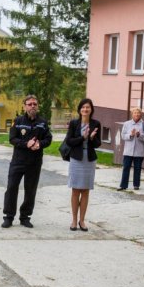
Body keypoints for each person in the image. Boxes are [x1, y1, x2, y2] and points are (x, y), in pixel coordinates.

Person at [2, 95, 51, 228]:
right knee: (12, 188)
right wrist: (26, 144)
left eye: (35, 104)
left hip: (34, 163)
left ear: (38, 106)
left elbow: (49, 139)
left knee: (30, 190)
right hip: (18, 161)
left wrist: (40, 144)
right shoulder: (18, 121)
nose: (32, 106)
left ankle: (25, 217)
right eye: (29, 104)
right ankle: (8, 217)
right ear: (25, 106)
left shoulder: (43, 122)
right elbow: (12, 139)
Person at [66, 98, 102, 231]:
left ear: (91, 109)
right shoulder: (74, 123)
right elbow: (69, 141)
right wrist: (83, 137)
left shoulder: (96, 123)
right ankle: (74, 221)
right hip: (76, 159)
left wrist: (92, 137)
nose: (85, 109)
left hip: (89, 159)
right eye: (83, 107)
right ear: (80, 110)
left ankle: (82, 221)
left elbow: (98, 144)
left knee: (85, 190)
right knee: (75, 190)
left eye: (88, 107)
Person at [118, 107, 144, 191]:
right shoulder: (126, 124)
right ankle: (123, 185)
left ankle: (136, 185)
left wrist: (139, 135)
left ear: (141, 114)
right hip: (128, 151)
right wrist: (131, 135)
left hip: (139, 151)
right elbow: (123, 136)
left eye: (138, 113)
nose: (137, 114)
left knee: (137, 168)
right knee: (126, 168)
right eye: (135, 113)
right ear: (132, 114)